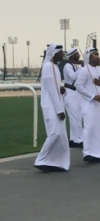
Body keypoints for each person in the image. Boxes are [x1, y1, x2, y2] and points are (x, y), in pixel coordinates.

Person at [34, 43, 70, 172]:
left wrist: (62, 91)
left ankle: (55, 162)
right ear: (53, 54)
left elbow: (56, 89)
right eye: (60, 52)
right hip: (51, 106)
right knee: (55, 133)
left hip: (57, 105)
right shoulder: (48, 67)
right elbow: (51, 90)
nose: (62, 54)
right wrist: (60, 110)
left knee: (60, 135)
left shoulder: (54, 67)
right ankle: (40, 159)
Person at [76, 47, 100, 163]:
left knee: (99, 128)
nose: (98, 57)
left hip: (99, 104)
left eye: (98, 54)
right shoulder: (84, 70)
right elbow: (78, 86)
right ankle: (87, 152)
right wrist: (92, 96)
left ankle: (99, 153)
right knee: (89, 127)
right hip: (88, 104)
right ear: (89, 57)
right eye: (95, 54)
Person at [62, 48, 84, 148]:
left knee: (77, 116)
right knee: (74, 116)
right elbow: (73, 77)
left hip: (76, 92)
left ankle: (73, 139)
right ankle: (80, 139)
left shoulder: (75, 65)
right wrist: (82, 69)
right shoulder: (67, 66)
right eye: (77, 54)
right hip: (70, 92)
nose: (79, 55)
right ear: (72, 55)